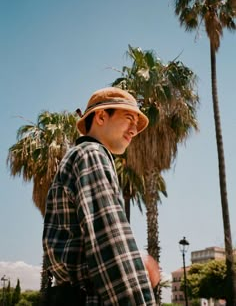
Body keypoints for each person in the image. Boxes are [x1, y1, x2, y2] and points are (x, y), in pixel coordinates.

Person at [42, 87, 160, 305]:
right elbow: (109, 240)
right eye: (128, 118)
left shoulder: (79, 155)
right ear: (101, 116)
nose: (134, 130)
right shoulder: (92, 154)